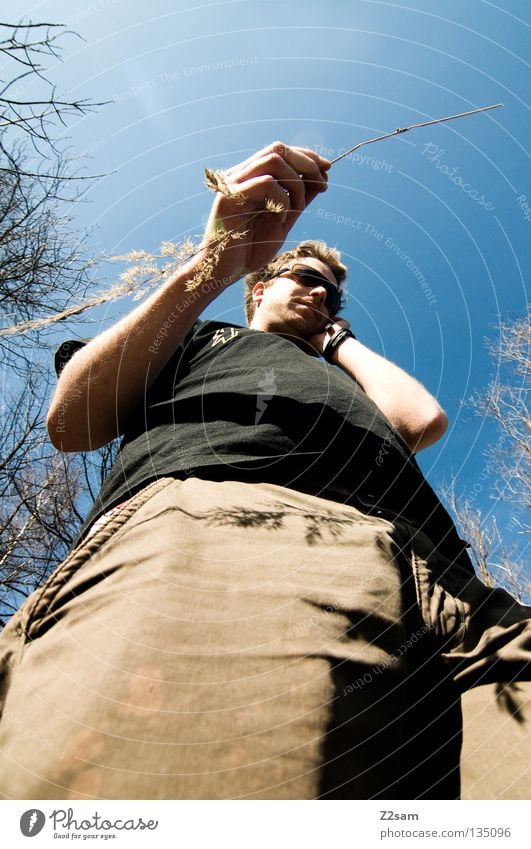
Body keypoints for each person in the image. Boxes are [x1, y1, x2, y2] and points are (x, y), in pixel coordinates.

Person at [0, 142, 529, 800]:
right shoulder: (197, 336)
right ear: (257, 291)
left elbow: (420, 420)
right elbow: (72, 418)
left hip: (447, 584)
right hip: (235, 540)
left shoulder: (341, 371)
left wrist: (337, 340)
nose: (319, 292)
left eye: (330, 291)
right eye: (303, 278)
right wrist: (215, 261)